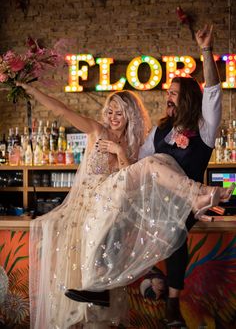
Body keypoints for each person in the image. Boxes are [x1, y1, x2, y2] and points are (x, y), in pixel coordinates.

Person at [17, 82, 235, 329]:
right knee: (154, 163)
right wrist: (34, 92)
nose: (113, 118)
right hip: (93, 201)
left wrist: (120, 151)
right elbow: (64, 110)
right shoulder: (97, 130)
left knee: (154, 165)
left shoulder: (135, 145)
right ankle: (198, 195)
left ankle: (108, 289)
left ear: (129, 115)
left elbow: (128, 178)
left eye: (119, 113)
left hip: (111, 205)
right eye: (109, 112)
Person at [137, 24, 225, 327]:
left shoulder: (204, 127)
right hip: (155, 203)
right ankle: (150, 276)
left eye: (173, 93)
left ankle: (171, 303)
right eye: (168, 93)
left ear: (187, 97)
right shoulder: (160, 131)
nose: (168, 97)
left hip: (185, 207)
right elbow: (141, 164)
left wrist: (205, 50)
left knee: (174, 226)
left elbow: (213, 91)